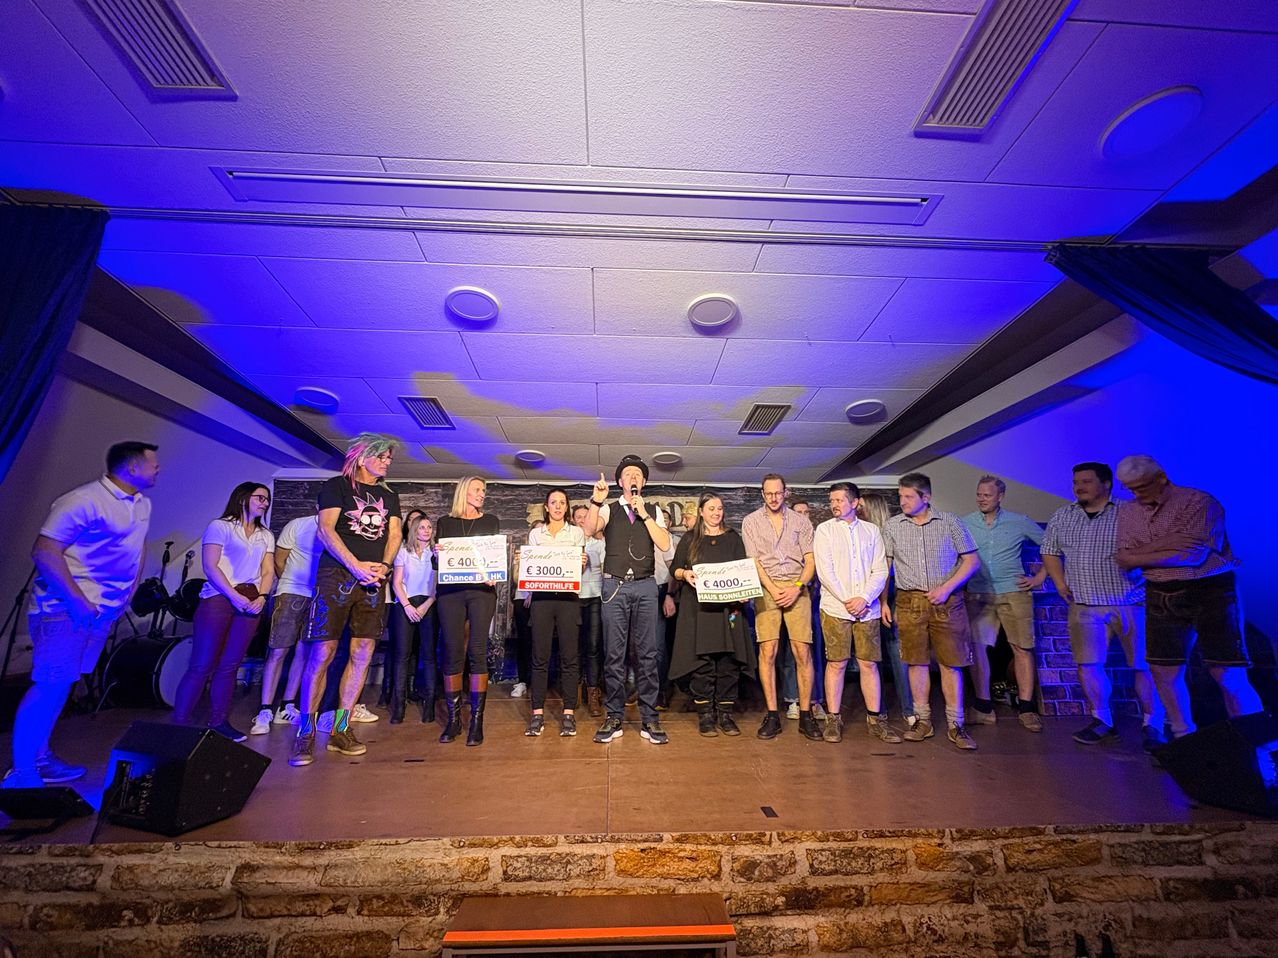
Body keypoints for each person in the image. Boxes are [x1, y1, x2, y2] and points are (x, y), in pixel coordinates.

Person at [5, 442, 159, 789]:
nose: (158, 470)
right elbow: (44, 552)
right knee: (50, 685)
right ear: (132, 468)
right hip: (65, 612)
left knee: (63, 686)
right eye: (153, 465)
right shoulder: (82, 500)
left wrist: (129, 592)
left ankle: (41, 759)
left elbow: (138, 544)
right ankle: (23, 771)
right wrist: (78, 601)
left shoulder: (141, 503)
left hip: (101, 612)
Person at [1115, 455, 1261, 740]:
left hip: (1210, 590)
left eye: (1142, 487)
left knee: (1227, 674)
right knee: (1162, 670)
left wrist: (1141, 554)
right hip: (1159, 591)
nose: (1136, 494)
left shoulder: (1199, 502)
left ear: (1161, 478)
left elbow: (1191, 556)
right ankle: (1185, 738)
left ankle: (1257, 745)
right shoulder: (1129, 511)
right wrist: (1168, 544)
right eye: (1130, 488)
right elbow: (1123, 556)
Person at [290, 434, 402, 767]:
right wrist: (355, 565)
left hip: (373, 580)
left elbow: (394, 534)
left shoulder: (388, 496)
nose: (386, 462)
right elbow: (326, 530)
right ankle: (305, 732)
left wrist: (383, 566)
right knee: (322, 651)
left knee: (363, 651)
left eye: (389, 458)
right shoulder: (337, 486)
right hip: (336, 577)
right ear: (363, 456)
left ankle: (341, 728)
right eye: (381, 456)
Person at [1040, 462, 1166, 748]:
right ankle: (1102, 719)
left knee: (1144, 665)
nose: (1079, 486)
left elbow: (1156, 548)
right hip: (1084, 605)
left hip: (1130, 602)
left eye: (1086, 481)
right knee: (1089, 665)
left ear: (1106, 484)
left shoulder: (1129, 512)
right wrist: (1059, 583)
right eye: (1076, 482)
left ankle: (1153, 723)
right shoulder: (1064, 515)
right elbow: (1049, 551)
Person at [880, 473, 981, 751]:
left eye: (908, 496)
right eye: (900, 496)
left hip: (946, 601)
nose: (903, 502)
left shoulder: (950, 521)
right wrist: (883, 601)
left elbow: (971, 561)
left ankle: (955, 724)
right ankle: (922, 720)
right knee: (916, 661)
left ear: (926, 497)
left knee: (951, 662)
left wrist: (947, 588)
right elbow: (885, 567)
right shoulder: (893, 526)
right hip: (909, 600)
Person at [171, 482, 275, 742]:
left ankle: (219, 721)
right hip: (219, 597)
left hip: (251, 600)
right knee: (202, 664)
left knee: (229, 665)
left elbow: (267, 571)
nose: (264, 503)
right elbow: (210, 566)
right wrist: (234, 596)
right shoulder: (221, 526)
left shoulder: (266, 535)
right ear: (243, 498)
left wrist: (262, 596)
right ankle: (180, 725)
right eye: (259, 498)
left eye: (267, 499)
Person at [581, 455, 672, 745]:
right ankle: (614, 716)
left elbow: (665, 543)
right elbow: (588, 529)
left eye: (638, 475)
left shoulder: (653, 510)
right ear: (620, 482)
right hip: (614, 587)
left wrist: (644, 513)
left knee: (648, 654)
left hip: (645, 586)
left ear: (643, 483)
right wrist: (596, 501)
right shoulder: (608, 509)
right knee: (614, 654)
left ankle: (650, 718)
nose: (633, 478)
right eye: (628, 474)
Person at [813, 483, 900, 744]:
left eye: (840, 500)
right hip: (835, 608)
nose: (835, 504)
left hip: (868, 609)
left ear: (855, 502)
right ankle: (833, 719)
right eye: (832, 500)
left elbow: (880, 569)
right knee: (837, 663)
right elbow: (825, 571)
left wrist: (864, 598)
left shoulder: (872, 531)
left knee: (869, 663)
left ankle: (876, 719)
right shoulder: (825, 531)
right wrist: (847, 599)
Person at [960, 476, 1047, 732]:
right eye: (979, 494)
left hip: (1013, 592)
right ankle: (984, 707)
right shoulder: (965, 523)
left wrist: (1039, 577)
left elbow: (1051, 547)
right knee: (977, 649)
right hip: (979, 593)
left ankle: (1027, 708)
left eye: (987, 495)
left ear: (1000, 496)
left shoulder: (1019, 522)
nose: (982, 499)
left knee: (1021, 648)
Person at [668, 493, 755, 736]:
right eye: (711, 508)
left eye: (720, 508)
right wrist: (685, 575)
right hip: (698, 610)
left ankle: (725, 715)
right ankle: (706, 716)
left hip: (729, 610)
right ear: (701, 512)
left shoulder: (732, 538)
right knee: (703, 663)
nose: (716, 513)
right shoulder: (689, 539)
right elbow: (675, 569)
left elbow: (743, 570)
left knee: (728, 662)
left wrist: (745, 591)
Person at [741, 474, 820, 741]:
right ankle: (772, 714)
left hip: (797, 587)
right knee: (768, 649)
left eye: (778, 493)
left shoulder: (801, 521)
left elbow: (810, 561)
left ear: (785, 492)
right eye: (768, 493)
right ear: (762, 494)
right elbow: (753, 562)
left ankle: (806, 715)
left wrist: (797, 587)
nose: (773, 498)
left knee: (802, 650)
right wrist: (773, 589)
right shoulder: (750, 521)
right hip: (767, 587)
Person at [435, 476, 500, 746]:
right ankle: (453, 720)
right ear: (464, 492)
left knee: (477, 651)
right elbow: (437, 563)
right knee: (452, 650)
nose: (481, 494)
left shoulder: (490, 521)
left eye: (483, 491)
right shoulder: (445, 523)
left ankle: (476, 721)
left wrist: (494, 571)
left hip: (481, 592)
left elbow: (494, 557)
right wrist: (436, 556)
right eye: (477, 490)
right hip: (450, 593)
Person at [520, 488, 586, 737]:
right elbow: (531, 567)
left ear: (567, 507)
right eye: (553, 503)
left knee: (570, 657)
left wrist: (582, 562)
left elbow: (578, 566)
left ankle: (568, 713)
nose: (558, 507)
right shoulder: (536, 534)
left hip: (568, 598)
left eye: (562, 503)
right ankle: (537, 714)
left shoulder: (576, 532)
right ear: (546, 507)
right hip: (542, 600)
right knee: (540, 657)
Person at [249, 510, 320, 736]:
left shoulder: (336, 530)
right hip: (290, 592)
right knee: (278, 651)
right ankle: (265, 709)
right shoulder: (298, 524)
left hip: (318, 596)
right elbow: (279, 560)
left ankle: (286, 705)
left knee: (304, 651)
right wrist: (292, 583)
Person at [857, 493, 913, 720]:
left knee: (898, 655)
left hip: (890, 598)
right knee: (872, 657)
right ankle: (877, 709)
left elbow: (898, 574)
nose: (856, 509)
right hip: (867, 601)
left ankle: (909, 710)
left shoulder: (890, 535)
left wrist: (893, 604)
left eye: (860, 506)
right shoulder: (859, 535)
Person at [389, 513, 437, 724]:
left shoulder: (436, 554)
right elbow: (396, 582)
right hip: (405, 605)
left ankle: (429, 707)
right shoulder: (403, 551)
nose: (427, 530)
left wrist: (426, 605)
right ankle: (398, 707)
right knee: (402, 656)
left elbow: (438, 584)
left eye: (429, 527)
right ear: (415, 529)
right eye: (422, 527)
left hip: (429, 604)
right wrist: (407, 605)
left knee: (428, 656)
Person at [788, 498, 826, 720]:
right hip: (790, 596)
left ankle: (816, 700)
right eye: (798, 512)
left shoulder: (818, 538)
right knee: (788, 653)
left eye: (807, 512)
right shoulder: (787, 537)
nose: (803, 515)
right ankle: (793, 699)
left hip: (815, 600)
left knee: (814, 652)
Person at [573, 504, 606, 717]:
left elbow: (605, 572)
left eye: (587, 517)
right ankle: (573, 690)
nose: (583, 520)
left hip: (595, 597)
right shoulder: (567, 543)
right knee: (573, 647)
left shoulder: (600, 544)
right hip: (572, 599)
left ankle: (593, 692)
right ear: (573, 521)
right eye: (578, 517)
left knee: (593, 647)